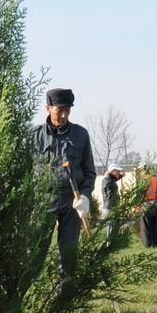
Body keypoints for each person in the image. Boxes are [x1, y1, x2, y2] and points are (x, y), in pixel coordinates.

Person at [32, 87, 96, 270]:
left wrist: (85, 196)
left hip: (72, 200)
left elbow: (89, 172)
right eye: (59, 110)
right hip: (43, 199)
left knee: (69, 254)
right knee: (35, 252)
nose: (64, 115)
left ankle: (65, 294)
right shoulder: (34, 137)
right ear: (48, 108)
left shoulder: (80, 135)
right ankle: (30, 291)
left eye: (67, 110)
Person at [139, 169, 157, 247]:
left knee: (145, 225)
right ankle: (155, 244)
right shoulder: (155, 179)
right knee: (153, 224)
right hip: (155, 203)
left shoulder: (143, 180)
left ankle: (147, 244)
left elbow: (140, 194)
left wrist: (138, 206)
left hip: (146, 203)